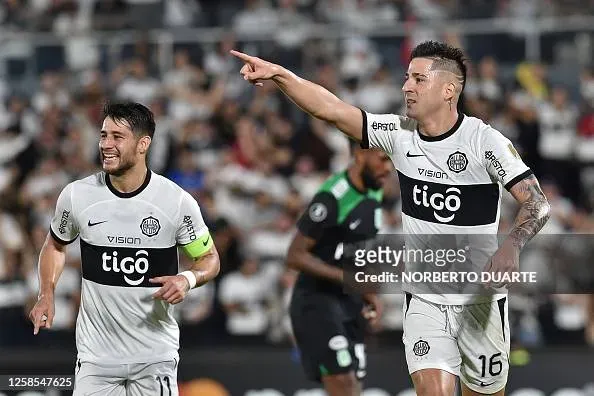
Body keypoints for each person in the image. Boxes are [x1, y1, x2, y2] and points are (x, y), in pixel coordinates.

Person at [232, 41, 551, 396]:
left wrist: (512, 245)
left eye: (418, 79)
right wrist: (279, 74)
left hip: (481, 301)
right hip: (424, 301)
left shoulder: (484, 142)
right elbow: (331, 109)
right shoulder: (399, 135)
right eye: (406, 78)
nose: (406, 87)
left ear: (449, 90)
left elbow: (537, 203)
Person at [29, 102, 220, 396]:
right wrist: (46, 293)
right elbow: (55, 244)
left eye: (117, 137)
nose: (106, 144)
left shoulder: (176, 202)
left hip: (154, 356)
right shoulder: (77, 195)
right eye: (103, 135)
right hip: (96, 358)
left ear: (143, 144)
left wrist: (187, 279)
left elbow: (209, 259)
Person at [286, 141, 391, 396]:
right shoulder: (334, 196)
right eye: (383, 159)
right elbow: (295, 255)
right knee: (342, 382)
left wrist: (368, 294)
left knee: (354, 385)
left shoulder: (373, 191)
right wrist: (346, 277)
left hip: (349, 302)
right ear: (359, 154)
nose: (389, 168)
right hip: (317, 301)